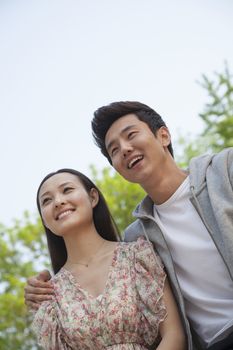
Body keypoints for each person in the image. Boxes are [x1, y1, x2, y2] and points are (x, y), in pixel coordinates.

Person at [25, 101, 233, 349]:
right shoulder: (139, 236)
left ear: (163, 135)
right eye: (113, 150)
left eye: (131, 135)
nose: (124, 149)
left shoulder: (224, 172)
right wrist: (37, 290)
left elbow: (172, 334)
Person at [29, 167, 186, 350]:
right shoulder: (49, 296)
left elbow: (174, 334)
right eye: (46, 200)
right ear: (45, 221)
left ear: (93, 197)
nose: (58, 202)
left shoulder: (137, 257)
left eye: (67, 190)